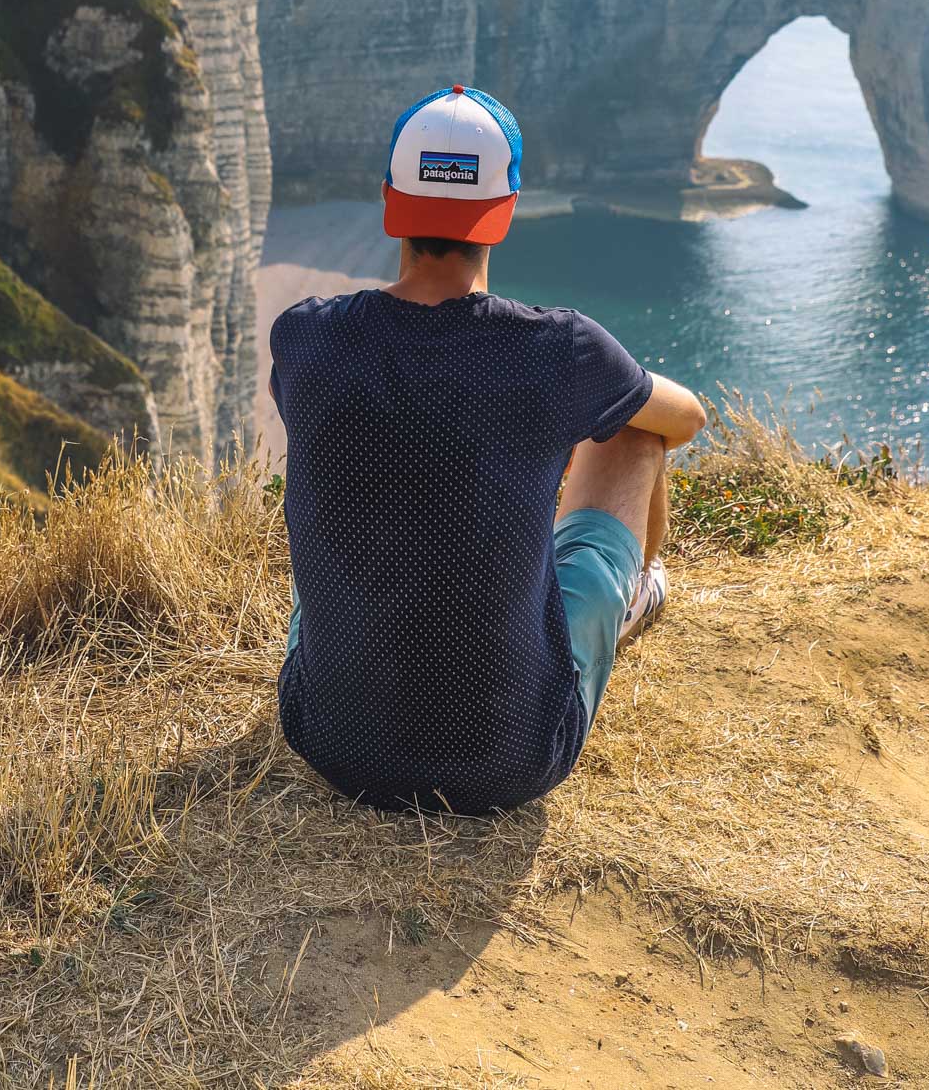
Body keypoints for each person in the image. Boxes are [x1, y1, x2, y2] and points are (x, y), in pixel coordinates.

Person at [269, 84, 706, 815]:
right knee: (633, 429)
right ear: (503, 215)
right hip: (511, 759)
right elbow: (686, 418)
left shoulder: (307, 336)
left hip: (332, 743)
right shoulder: (558, 350)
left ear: (388, 202)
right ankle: (632, 597)